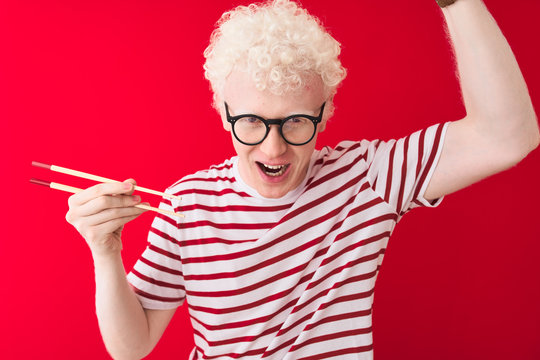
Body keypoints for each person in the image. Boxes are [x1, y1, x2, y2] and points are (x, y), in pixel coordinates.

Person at [65, 0, 539, 359]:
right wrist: (105, 253)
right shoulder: (186, 203)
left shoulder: (367, 177)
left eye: (296, 122)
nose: (273, 150)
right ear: (223, 112)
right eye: (251, 121)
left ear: (325, 112)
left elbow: (507, 136)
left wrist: (456, 2)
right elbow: (132, 348)